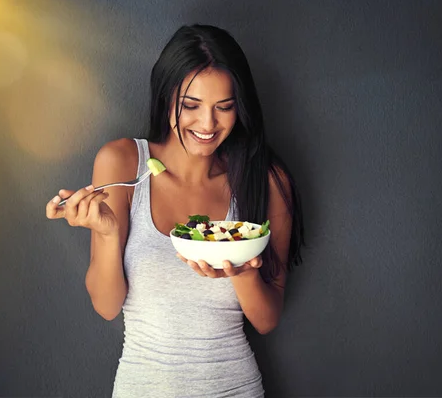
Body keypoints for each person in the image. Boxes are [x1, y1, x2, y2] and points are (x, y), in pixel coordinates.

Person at [46, 24, 304, 398]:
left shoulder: (265, 180)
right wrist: (106, 233)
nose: (207, 124)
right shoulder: (122, 162)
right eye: (191, 106)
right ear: (167, 99)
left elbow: (267, 320)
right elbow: (106, 306)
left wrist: (242, 273)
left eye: (224, 107)